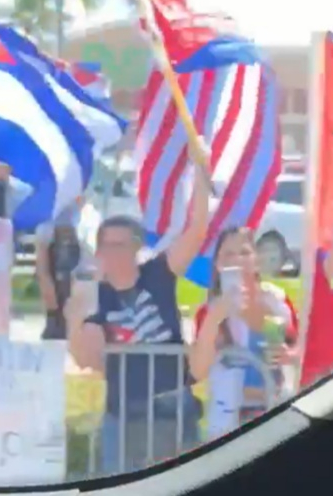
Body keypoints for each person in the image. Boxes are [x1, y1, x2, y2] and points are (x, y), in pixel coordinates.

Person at [64, 171, 211, 474]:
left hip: (172, 405)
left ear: (136, 247)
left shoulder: (157, 274)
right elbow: (86, 358)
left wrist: (200, 178)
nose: (112, 253)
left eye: (120, 245)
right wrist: (76, 314)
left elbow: (196, 231)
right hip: (123, 410)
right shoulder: (97, 296)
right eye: (106, 246)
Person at [189, 227, 298, 439]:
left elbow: (298, 347)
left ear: (256, 260)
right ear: (218, 265)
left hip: (273, 414)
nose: (238, 260)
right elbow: (198, 371)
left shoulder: (277, 300)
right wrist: (216, 317)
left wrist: (289, 354)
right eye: (229, 254)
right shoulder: (208, 311)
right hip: (227, 421)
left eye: (245, 252)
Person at [36, 196, 91, 340]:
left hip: (77, 283)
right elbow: (43, 271)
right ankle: (56, 321)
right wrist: (52, 309)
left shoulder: (85, 222)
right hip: (58, 280)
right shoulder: (47, 225)